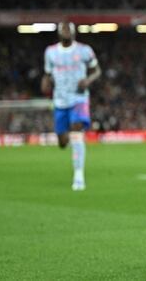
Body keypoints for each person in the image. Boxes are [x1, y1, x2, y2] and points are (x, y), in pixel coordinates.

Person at [41, 22, 101, 191]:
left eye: (69, 28)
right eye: (63, 28)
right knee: (62, 141)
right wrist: (45, 83)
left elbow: (97, 71)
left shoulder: (84, 50)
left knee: (76, 131)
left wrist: (88, 80)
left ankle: (79, 175)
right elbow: (47, 74)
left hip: (79, 98)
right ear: (59, 33)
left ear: (74, 32)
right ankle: (68, 142)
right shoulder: (51, 52)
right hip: (60, 100)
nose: (66, 31)